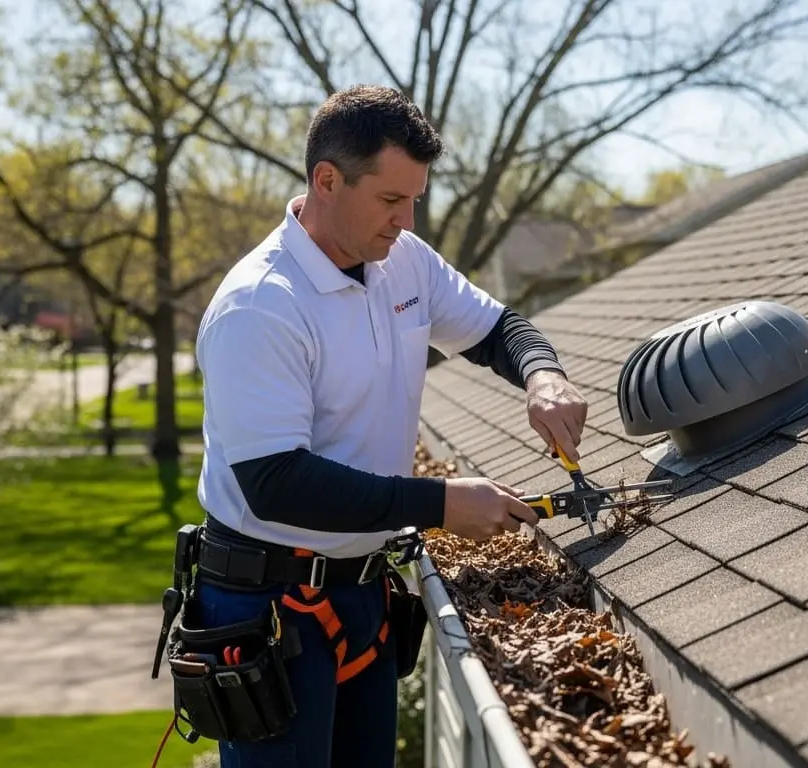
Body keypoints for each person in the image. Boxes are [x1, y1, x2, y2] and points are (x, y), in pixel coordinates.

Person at [189, 84, 589, 768]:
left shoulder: (402, 259)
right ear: (326, 180)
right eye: (389, 200)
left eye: (414, 200)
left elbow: (500, 330)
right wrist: (442, 504)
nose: (405, 220)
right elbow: (274, 483)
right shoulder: (261, 306)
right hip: (268, 608)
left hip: (362, 595)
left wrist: (543, 376)